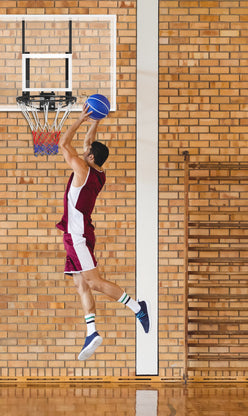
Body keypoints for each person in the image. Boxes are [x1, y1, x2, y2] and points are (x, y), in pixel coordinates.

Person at [57, 104, 150, 361]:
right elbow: (90, 141)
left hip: (77, 236)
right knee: (80, 284)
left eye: (87, 152)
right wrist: (96, 119)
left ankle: (136, 307)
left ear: (90, 158)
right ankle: (91, 331)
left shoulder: (83, 169)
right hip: (77, 234)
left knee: (94, 282)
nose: (84, 151)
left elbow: (64, 144)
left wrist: (80, 118)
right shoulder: (98, 172)